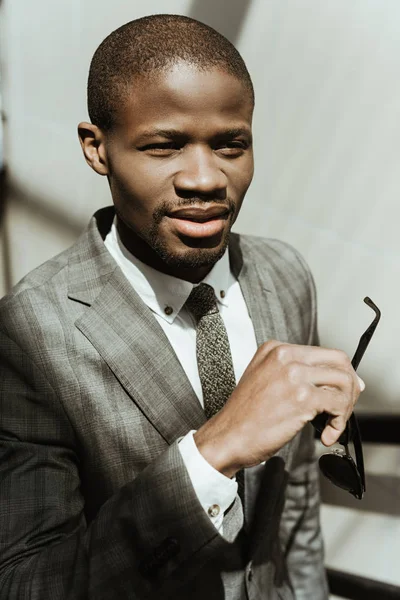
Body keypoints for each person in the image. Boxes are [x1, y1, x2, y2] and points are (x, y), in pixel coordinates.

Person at [0, 14, 363, 600]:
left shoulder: (285, 274)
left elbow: (294, 503)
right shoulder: (29, 334)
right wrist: (214, 451)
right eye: (165, 146)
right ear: (97, 149)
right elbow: (25, 585)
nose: (205, 178)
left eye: (230, 144)